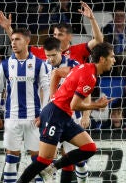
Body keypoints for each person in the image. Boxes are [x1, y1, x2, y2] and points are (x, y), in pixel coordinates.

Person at [17, 42, 115, 183]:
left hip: (63, 116)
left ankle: (52, 169)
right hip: (55, 116)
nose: (114, 60)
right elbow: (74, 105)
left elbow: (56, 72)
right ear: (102, 59)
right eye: (112, 57)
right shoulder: (90, 77)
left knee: (89, 148)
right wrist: (96, 105)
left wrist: (53, 97)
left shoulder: (83, 66)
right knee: (43, 160)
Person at [0, 28, 50, 183]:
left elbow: (47, 89)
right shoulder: (5, 64)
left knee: (38, 159)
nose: (13, 43)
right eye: (12, 40)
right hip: (12, 118)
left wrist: (43, 114)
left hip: (34, 119)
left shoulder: (39, 64)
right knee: (11, 156)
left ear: (27, 41)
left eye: (17, 39)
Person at [43, 36, 89, 183]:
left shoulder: (74, 65)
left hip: (71, 117)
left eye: (53, 55)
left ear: (61, 52)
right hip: (51, 118)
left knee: (77, 158)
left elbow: (85, 90)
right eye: (47, 55)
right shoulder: (43, 67)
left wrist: (86, 115)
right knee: (49, 159)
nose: (50, 59)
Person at [0, 2, 103, 64]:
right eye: (54, 34)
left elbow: (98, 40)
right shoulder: (42, 51)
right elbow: (20, 44)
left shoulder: (78, 50)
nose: (56, 37)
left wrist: (92, 19)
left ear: (70, 37)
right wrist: (8, 28)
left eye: (60, 34)